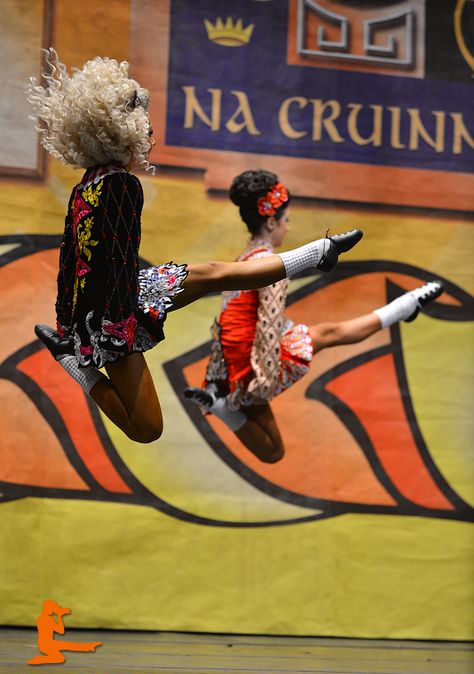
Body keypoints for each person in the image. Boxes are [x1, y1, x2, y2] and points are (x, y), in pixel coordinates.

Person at [26, 50, 362, 443]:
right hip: (112, 314)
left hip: (113, 295)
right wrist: (114, 337)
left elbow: (73, 261)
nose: (150, 135)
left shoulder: (88, 182)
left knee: (214, 274)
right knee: (148, 428)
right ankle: (72, 363)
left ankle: (320, 252)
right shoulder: (121, 185)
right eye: (144, 125)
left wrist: (67, 316)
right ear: (121, 131)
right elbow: (109, 263)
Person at [184, 170, 443, 463]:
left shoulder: (245, 258)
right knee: (274, 448)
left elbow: (235, 317)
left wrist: (219, 374)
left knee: (272, 447)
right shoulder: (270, 265)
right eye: (287, 220)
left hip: (230, 357)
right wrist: (264, 379)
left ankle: (220, 405)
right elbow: (268, 321)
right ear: (271, 221)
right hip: (249, 358)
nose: (288, 227)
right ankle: (406, 306)